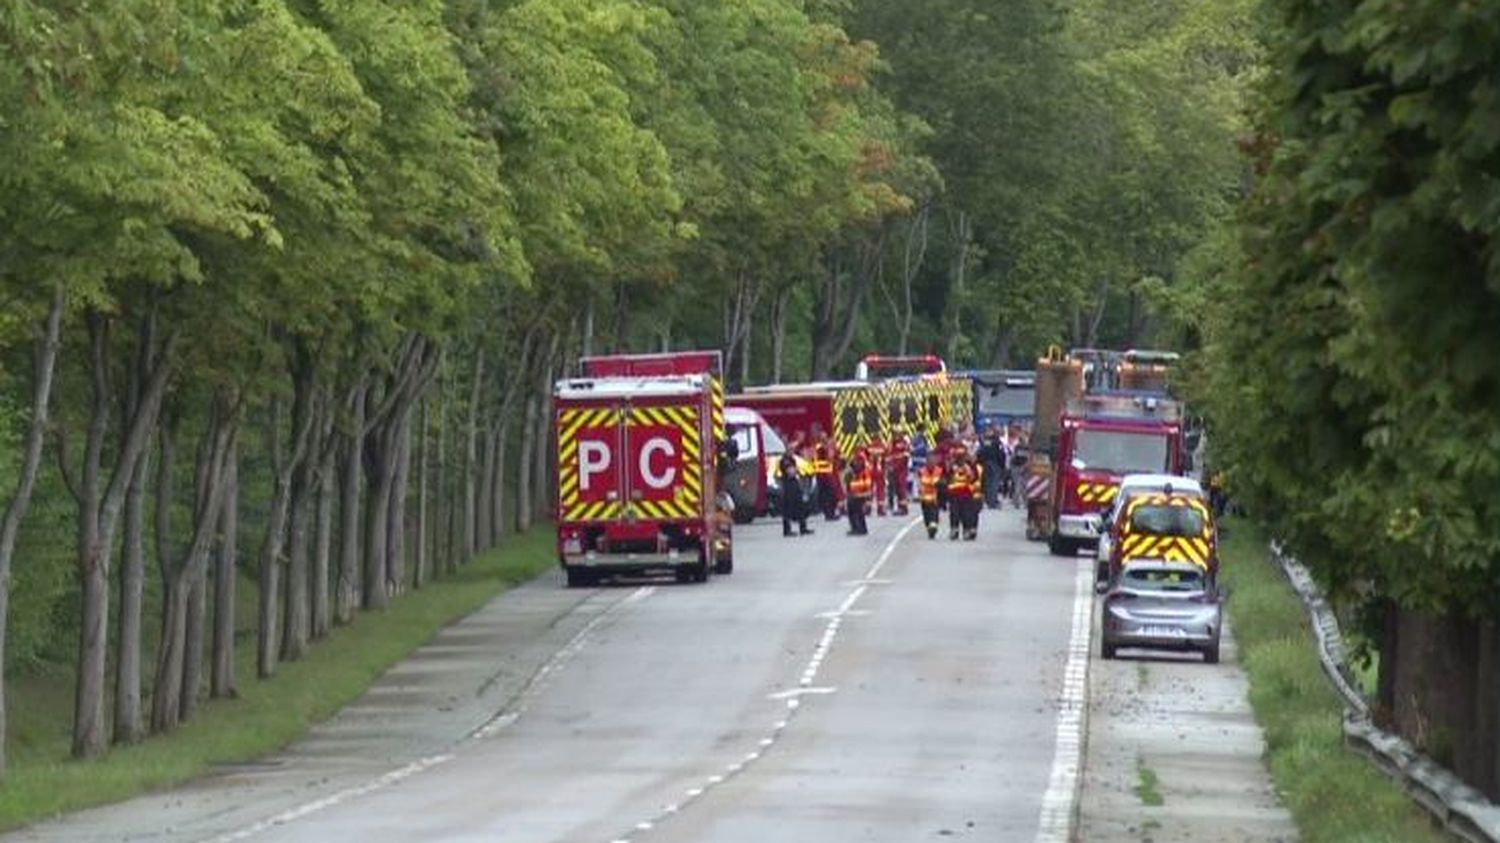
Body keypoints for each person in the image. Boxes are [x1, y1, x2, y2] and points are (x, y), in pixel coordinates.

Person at [778, 452, 813, 537]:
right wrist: (794, 471)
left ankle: (803, 528)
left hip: (793, 483)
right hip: (788, 484)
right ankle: (787, 530)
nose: (792, 450)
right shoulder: (785, 460)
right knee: (787, 508)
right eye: (790, 448)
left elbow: (795, 470)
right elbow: (790, 471)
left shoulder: (791, 459)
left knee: (800, 506)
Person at [945, 447, 976, 540]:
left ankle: (966, 530)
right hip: (954, 494)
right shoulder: (951, 466)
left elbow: (974, 478)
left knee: (966, 513)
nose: (960, 459)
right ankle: (954, 530)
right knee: (954, 513)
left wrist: (968, 471)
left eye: (962, 457)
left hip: (966, 493)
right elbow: (947, 477)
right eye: (958, 457)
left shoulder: (969, 467)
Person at [844, 455, 874, 536]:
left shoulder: (864, 472)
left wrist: (868, 499)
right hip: (853, 495)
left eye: (859, 462)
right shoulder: (850, 472)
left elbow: (868, 485)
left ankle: (861, 529)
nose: (857, 463)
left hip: (861, 495)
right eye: (855, 462)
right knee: (851, 512)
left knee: (859, 513)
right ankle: (855, 528)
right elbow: (847, 484)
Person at [977, 427, 1005, 510]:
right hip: (995, 464)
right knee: (994, 484)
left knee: (987, 483)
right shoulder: (997, 442)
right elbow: (1001, 454)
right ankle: (993, 502)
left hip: (985, 464)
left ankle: (988, 500)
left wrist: (980, 462)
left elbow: (980, 452)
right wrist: (1002, 465)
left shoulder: (985, 442)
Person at [917, 456, 944, 539]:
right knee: (926, 515)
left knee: (934, 514)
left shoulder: (940, 471)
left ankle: (933, 527)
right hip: (925, 498)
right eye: (929, 462)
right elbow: (919, 484)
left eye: (933, 462)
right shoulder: (921, 471)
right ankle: (929, 527)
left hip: (935, 498)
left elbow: (942, 483)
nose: (931, 464)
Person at [887, 429, 912, 515]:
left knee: (902, 488)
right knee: (898, 489)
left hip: (901, 470)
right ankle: (900, 507)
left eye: (896, 434)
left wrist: (894, 466)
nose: (895, 436)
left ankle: (903, 508)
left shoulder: (903, 443)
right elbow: (889, 456)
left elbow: (905, 457)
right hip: (894, 470)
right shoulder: (891, 443)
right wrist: (890, 466)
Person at [813, 439, 839, 521]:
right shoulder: (821, 450)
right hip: (824, 477)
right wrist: (830, 456)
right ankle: (829, 514)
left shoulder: (821, 449)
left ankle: (830, 513)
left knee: (829, 496)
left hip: (824, 476)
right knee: (829, 496)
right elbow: (826, 461)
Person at [864, 436, 888, 516]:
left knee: (869, 489)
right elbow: (885, 459)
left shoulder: (869, 446)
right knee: (880, 490)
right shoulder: (883, 446)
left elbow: (865, 458)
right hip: (879, 470)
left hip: (870, 471)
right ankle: (880, 508)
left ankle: (868, 508)